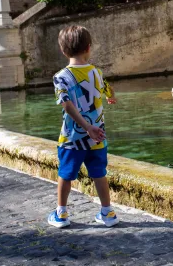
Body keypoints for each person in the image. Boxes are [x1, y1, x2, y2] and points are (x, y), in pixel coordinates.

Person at [47, 25, 119, 228]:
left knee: (65, 174)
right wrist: (111, 97)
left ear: (63, 50)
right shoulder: (96, 72)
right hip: (98, 136)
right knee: (99, 173)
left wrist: (85, 127)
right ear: (89, 47)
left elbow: (67, 105)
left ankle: (61, 214)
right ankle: (108, 213)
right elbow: (108, 89)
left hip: (72, 138)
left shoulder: (61, 76)